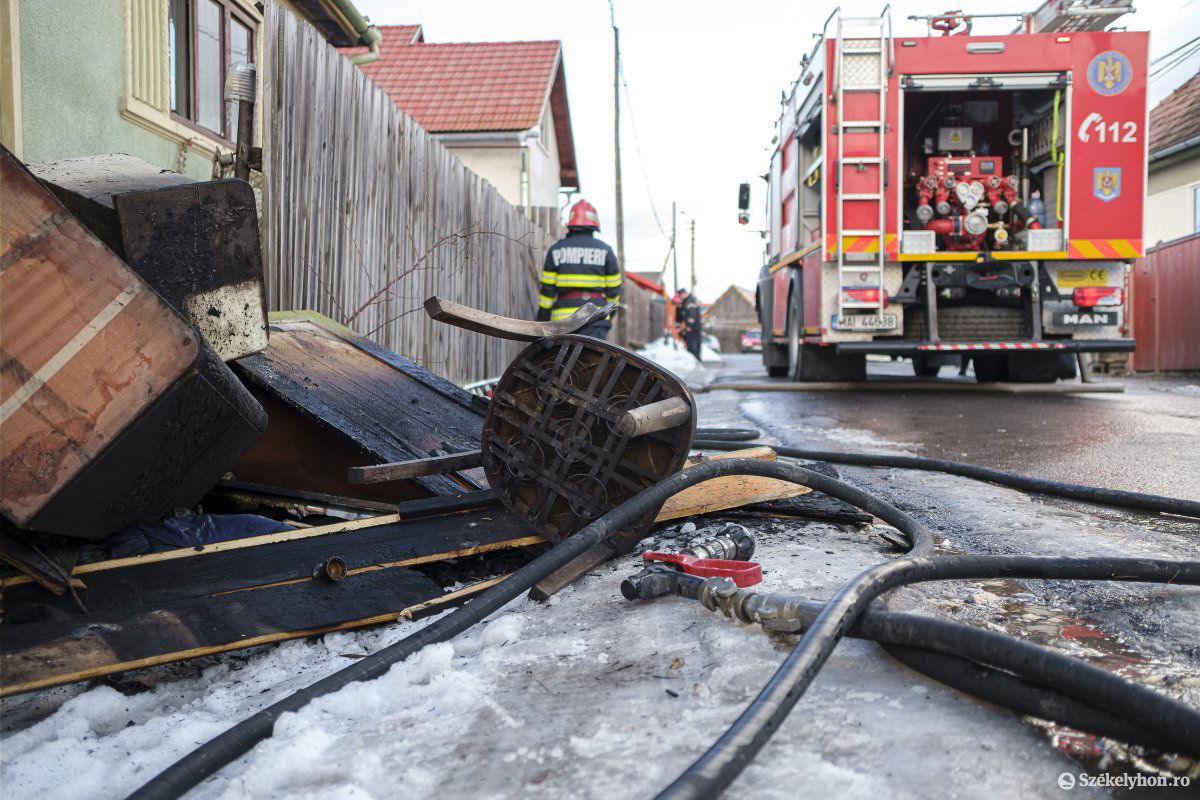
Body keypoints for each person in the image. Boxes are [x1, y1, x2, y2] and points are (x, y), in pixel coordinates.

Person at [536, 199, 621, 339]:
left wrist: (542, 318)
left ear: (570, 225)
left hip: (563, 320)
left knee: (565, 359)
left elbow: (547, 292)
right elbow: (614, 289)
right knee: (594, 360)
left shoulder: (556, 250)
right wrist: (610, 312)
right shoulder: (606, 251)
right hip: (597, 317)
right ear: (594, 226)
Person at [675, 287, 702, 359]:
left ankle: (696, 359)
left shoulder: (690, 301)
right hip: (691, 327)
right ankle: (695, 359)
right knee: (691, 344)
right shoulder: (684, 302)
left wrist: (689, 326)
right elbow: (679, 316)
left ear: (683, 294)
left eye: (680, 295)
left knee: (693, 345)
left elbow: (692, 314)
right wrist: (677, 327)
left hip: (694, 327)